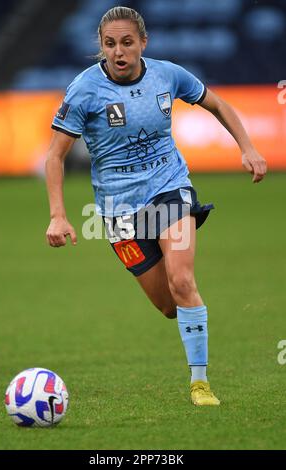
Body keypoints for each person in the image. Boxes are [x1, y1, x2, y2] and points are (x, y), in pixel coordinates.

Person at [45, 7, 267, 406]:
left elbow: (216, 103)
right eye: (110, 44)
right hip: (118, 210)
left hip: (169, 189)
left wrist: (247, 148)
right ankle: (189, 321)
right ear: (101, 47)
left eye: (127, 42)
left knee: (183, 282)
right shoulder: (84, 90)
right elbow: (54, 157)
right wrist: (58, 214)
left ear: (143, 43)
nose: (118, 52)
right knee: (168, 305)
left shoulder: (167, 75)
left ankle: (200, 384)